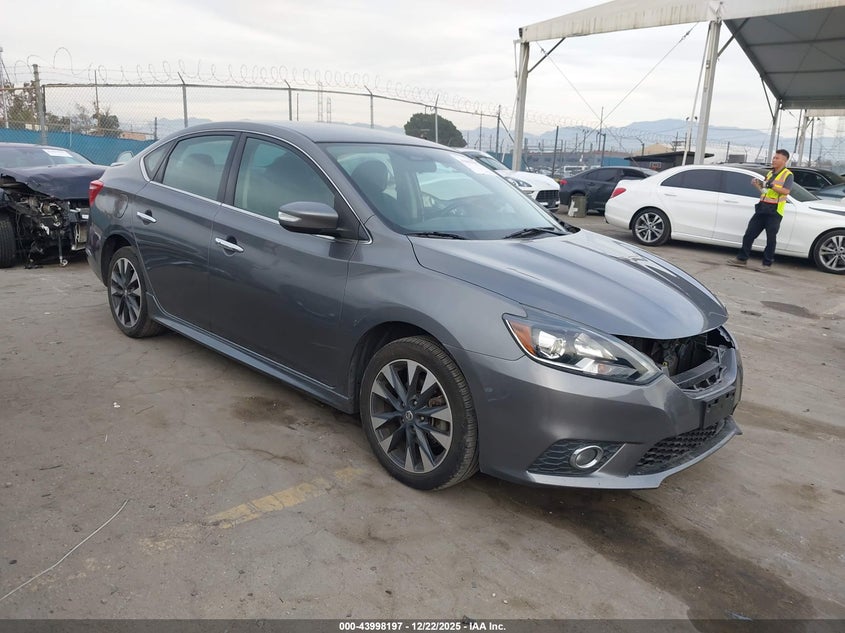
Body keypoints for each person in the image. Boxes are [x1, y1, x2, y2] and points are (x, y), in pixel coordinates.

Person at [728, 149, 793, 271]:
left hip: (775, 212)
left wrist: (772, 185)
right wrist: (757, 185)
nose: (774, 160)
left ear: (784, 161)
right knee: (749, 234)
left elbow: (786, 191)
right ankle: (742, 259)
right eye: (774, 157)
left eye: (777, 158)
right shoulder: (770, 174)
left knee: (771, 239)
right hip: (762, 208)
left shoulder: (788, 175)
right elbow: (765, 192)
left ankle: (766, 264)